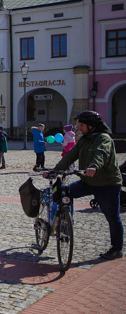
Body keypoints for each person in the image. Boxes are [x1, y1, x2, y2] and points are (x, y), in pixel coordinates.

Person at [50, 111, 122, 260]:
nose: (78, 128)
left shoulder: (104, 139)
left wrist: (94, 167)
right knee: (64, 193)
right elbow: (71, 155)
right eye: (78, 125)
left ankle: (116, 249)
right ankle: (65, 221)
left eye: (81, 125)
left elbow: (100, 153)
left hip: (107, 184)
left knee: (112, 217)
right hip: (87, 182)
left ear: (91, 126)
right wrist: (56, 170)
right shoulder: (84, 140)